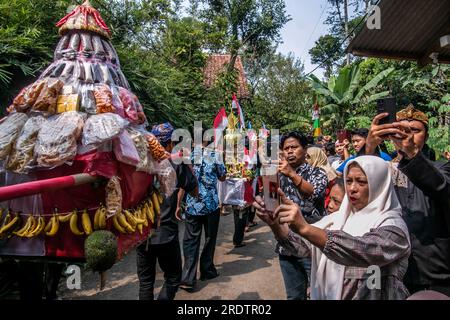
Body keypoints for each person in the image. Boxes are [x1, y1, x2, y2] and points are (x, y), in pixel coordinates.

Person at [254, 156, 411, 300]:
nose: (352, 188)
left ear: (380, 185)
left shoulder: (393, 225)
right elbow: (302, 248)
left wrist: (305, 228)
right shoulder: (335, 219)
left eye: (361, 182)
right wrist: (275, 224)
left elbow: (365, 250)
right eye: (348, 181)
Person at [364, 104, 450, 297]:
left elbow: (442, 187)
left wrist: (411, 153)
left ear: (426, 137)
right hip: (389, 268)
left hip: (434, 271)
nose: (408, 135)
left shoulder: (442, 166)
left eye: (415, 131)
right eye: (402, 130)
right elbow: (361, 186)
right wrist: (369, 147)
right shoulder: (384, 167)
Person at [136, 122, 198, 300]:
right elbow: (194, 191)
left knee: (146, 282)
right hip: (166, 233)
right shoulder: (176, 162)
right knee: (173, 277)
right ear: (171, 142)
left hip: (141, 231)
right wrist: (188, 166)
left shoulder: (138, 161)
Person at [276, 131, 328, 300]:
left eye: (294, 147)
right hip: (287, 245)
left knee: (319, 293)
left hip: (312, 244)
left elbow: (313, 194)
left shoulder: (317, 173)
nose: (289, 151)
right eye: (286, 148)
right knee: (294, 296)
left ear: (305, 150)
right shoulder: (278, 174)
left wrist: (291, 173)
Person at [179, 134, 226, 292]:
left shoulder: (188, 156)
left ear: (193, 141)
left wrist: (178, 204)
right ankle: (207, 271)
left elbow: (182, 183)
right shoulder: (215, 155)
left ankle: (188, 278)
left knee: (191, 241)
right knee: (209, 238)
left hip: (192, 205)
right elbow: (222, 177)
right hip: (211, 205)